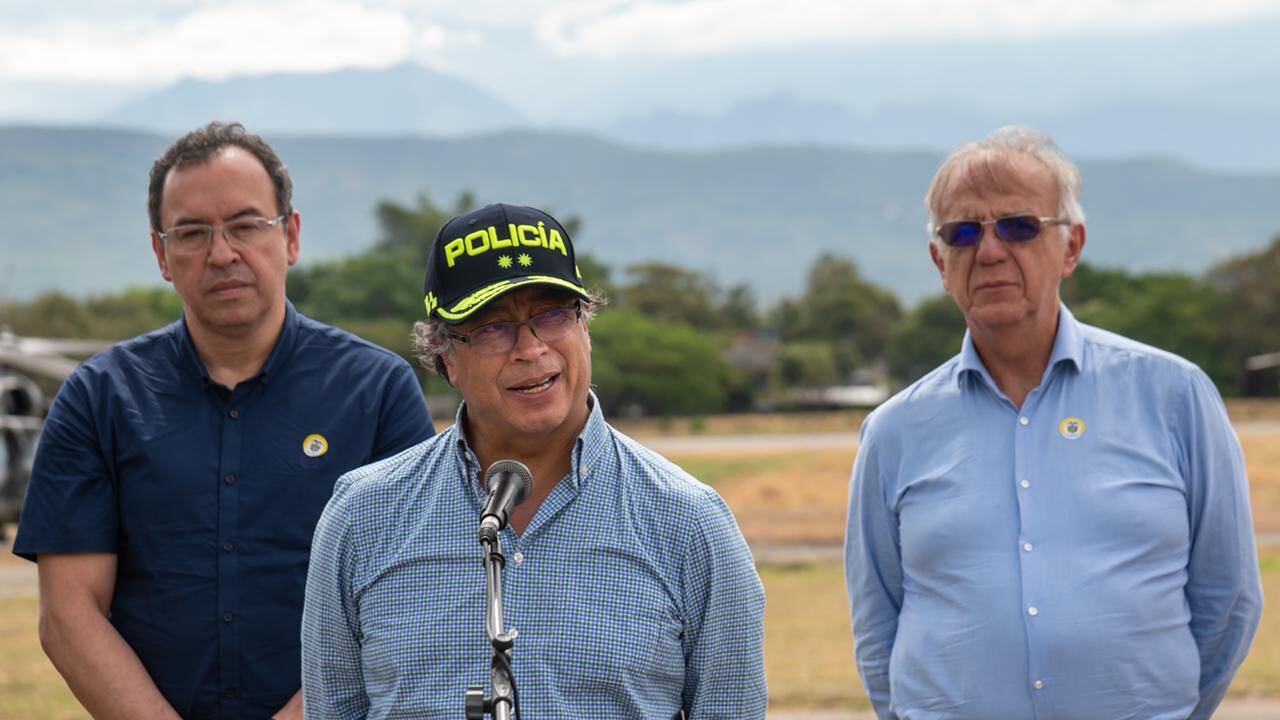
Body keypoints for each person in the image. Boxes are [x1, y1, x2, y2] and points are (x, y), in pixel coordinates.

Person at [14, 122, 435, 720]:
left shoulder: (378, 393)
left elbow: (409, 603)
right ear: (161, 253)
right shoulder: (99, 398)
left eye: (244, 225)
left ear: (290, 236)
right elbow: (69, 613)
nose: (221, 253)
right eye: (191, 232)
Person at [844, 126, 1263, 720]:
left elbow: (1229, 602)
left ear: (1072, 247)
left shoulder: (1175, 396)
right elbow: (877, 621)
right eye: (963, 232)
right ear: (940, 262)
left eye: (1018, 226)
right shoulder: (893, 431)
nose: (989, 251)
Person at [301, 203, 767, 719]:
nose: (530, 348)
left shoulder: (689, 521)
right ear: (445, 359)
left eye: (552, 315)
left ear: (585, 326)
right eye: (492, 328)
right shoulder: (363, 515)